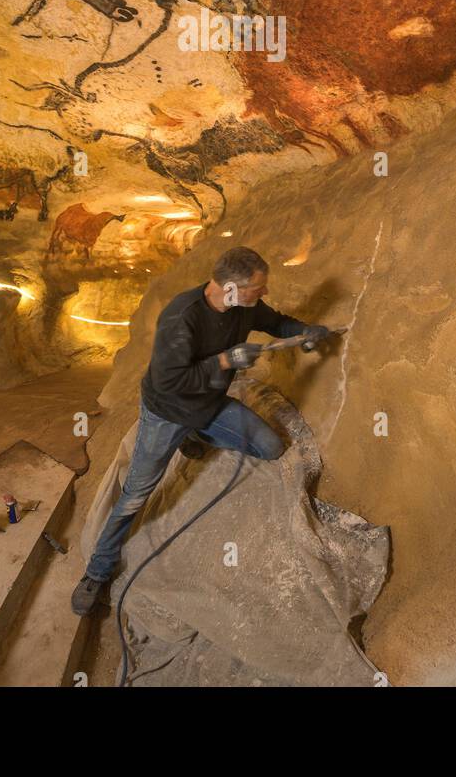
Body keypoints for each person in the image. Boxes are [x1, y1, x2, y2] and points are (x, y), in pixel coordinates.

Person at [71, 246, 330, 614]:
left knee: (271, 446)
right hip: (168, 411)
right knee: (135, 494)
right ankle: (97, 572)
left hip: (209, 405)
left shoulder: (244, 305)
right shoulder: (181, 318)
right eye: (258, 288)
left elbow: (275, 322)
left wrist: (305, 331)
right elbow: (169, 383)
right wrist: (224, 360)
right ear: (230, 288)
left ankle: (197, 434)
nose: (264, 294)